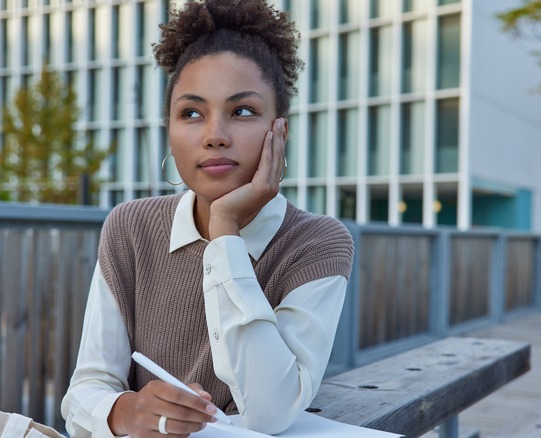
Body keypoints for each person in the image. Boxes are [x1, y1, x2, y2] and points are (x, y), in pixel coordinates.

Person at [61, 1, 354, 437]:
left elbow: (271, 411)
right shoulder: (131, 228)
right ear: (170, 132)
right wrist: (128, 411)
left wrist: (225, 234)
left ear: (280, 132)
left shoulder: (317, 243)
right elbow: (87, 387)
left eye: (242, 111)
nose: (214, 135)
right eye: (191, 114)